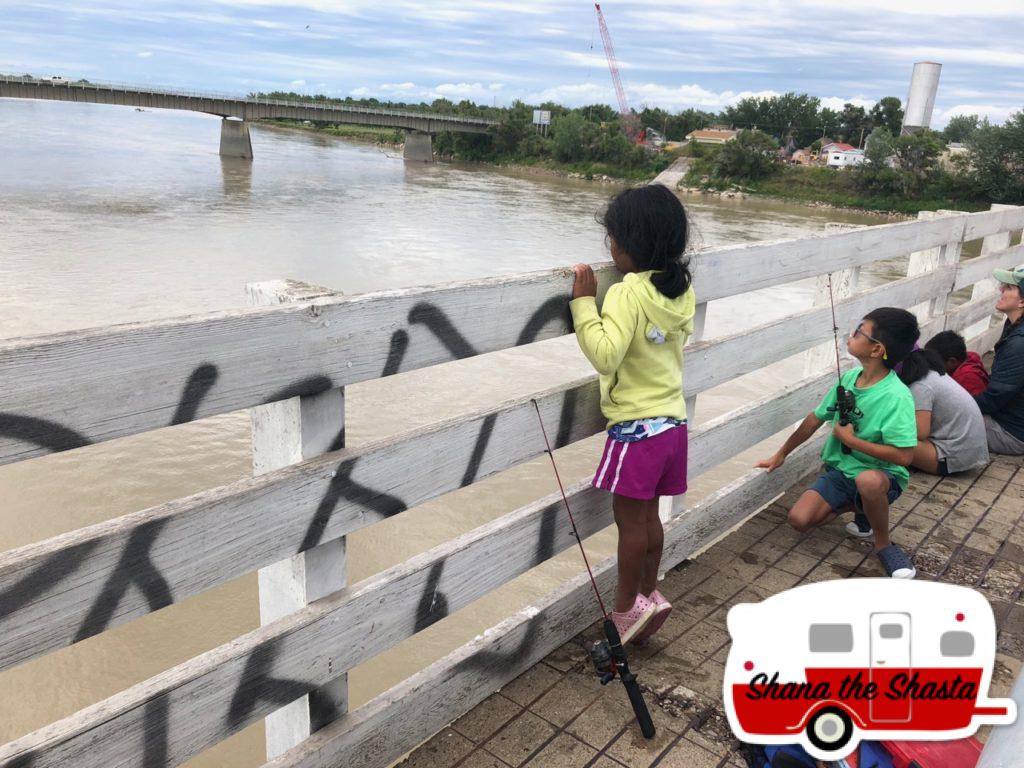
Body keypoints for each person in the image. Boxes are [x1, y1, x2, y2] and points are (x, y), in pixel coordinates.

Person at [569, 184, 696, 643]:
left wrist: (584, 304)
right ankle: (649, 594)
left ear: (630, 243)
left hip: (637, 428)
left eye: (614, 239)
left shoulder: (626, 293)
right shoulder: (680, 290)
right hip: (673, 425)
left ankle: (625, 612)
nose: (611, 248)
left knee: (630, 526)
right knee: (651, 520)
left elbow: (605, 355)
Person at [755, 308, 920, 579]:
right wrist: (781, 453)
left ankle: (883, 544)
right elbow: (814, 420)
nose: (850, 335)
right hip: (842, 472)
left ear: (877, 349)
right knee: (799, 520)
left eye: (859, 330)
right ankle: (862, 508)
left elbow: (903, 458)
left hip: (883, 477)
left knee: (868, 482)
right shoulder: (848, 379)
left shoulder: (897, 396)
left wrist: (851, 440)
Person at [896, 347, 989, 475]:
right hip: (969, 453)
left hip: (953, 458)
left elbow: (920, 433)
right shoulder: (932, 375)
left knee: (888, 436)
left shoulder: (920, 386)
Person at [975, 267, 1024, 455]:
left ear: (1022, 301)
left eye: (1009, 287)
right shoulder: (1014, 325)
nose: (1001, 289)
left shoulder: (1019, 344)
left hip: (1011, 433)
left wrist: (962, 404)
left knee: (938, 419)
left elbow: (996, 397)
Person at [924, 330, 989, 396]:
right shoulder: (964, 359)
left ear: (952, 361)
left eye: (934, 362)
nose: (931, 366)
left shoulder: (965, 378)